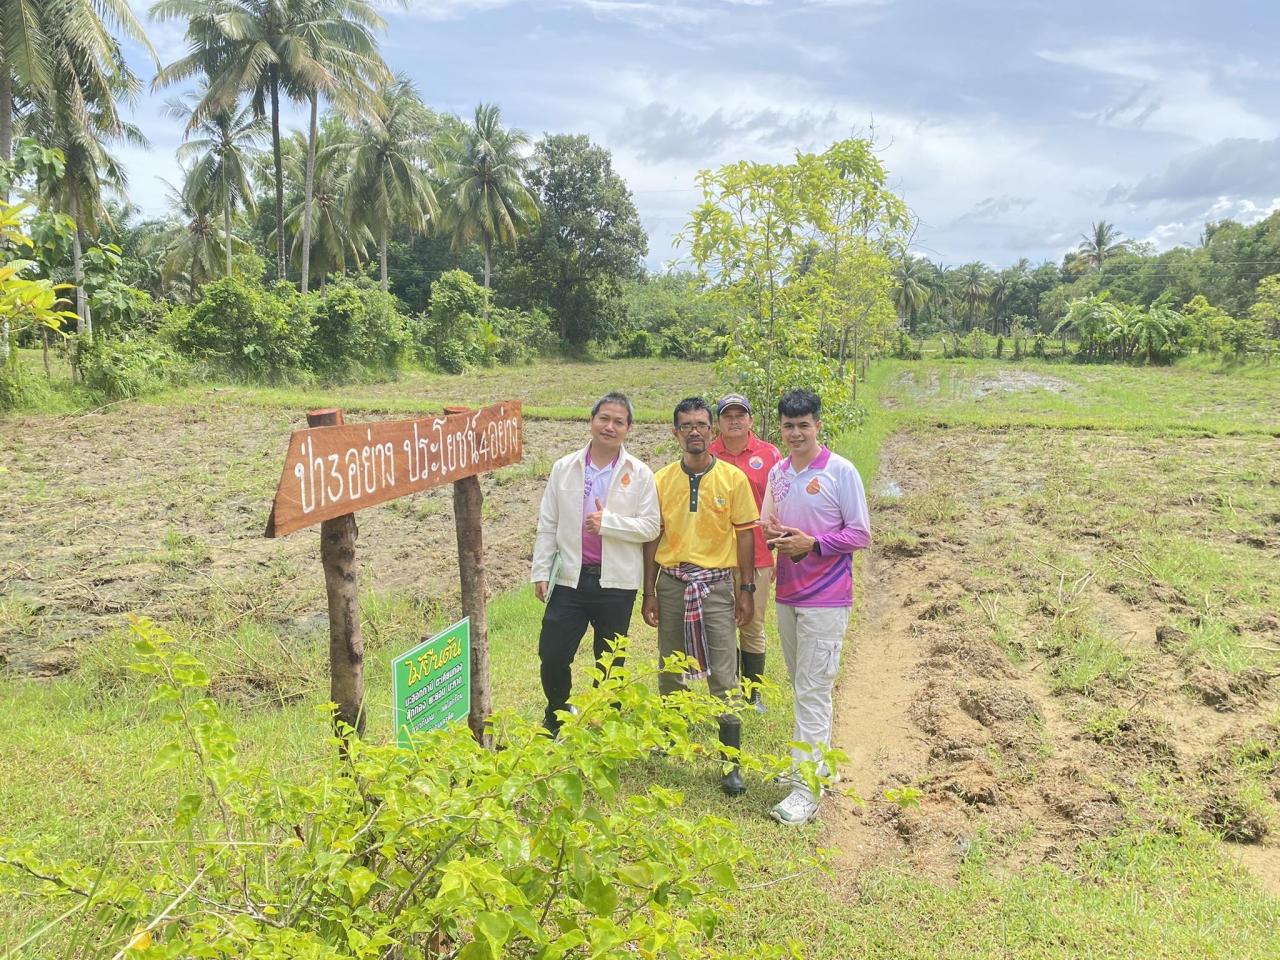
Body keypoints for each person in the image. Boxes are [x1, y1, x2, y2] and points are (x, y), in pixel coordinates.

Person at [761, 389, 871, 826]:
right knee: (803, 686)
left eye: (803, 424)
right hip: (788, 595)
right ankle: (819, 764)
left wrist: (815, 544)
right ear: (781, 429)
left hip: (826, 598)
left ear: (817, 426)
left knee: (812, 691)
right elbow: (768, 524)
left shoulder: (840, 472)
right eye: (788, 426)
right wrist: (778, 535)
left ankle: (805, 790)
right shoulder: (778, 474)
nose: (796, 432)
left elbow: (860, 534)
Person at [642, 396, 758, 796]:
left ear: (712, 431)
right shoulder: (661, 481)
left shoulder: (732, 479)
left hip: (717, 586)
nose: (694, 431)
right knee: (670, 667)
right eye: (686, 425)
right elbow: (653, 536)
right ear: (675, 433)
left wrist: (745, 588)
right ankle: (671, 738)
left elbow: (745, 535)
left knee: (724, 673)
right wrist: (649, 591)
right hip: (672, 584)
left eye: (701, 425)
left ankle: (731, 764)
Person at [531, 392, 660, 737]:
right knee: (554, 653)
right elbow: (548, 523)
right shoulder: (565, 467)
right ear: (591, 421)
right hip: (571, 578)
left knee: (610, 658)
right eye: (604, 418)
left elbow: (650, 527)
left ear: (628, 429)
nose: (610, 426)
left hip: (616, 584)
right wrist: (541, 570)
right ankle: (557, 712)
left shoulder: (640, 473)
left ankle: (608, 719)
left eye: (619, 421)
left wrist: (609, 523)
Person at [708, 393, 781, 712]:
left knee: (752, 622)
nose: (734, 420)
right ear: (718, 422)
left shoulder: (770, 454)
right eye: (727, 416)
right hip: (716, 556)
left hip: (758, 557)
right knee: (721, 624)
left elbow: (781, 504)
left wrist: (778, 549)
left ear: (751, 419)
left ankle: (754, 694)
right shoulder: (708, 454)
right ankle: (728, 690)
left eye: (741, 415)